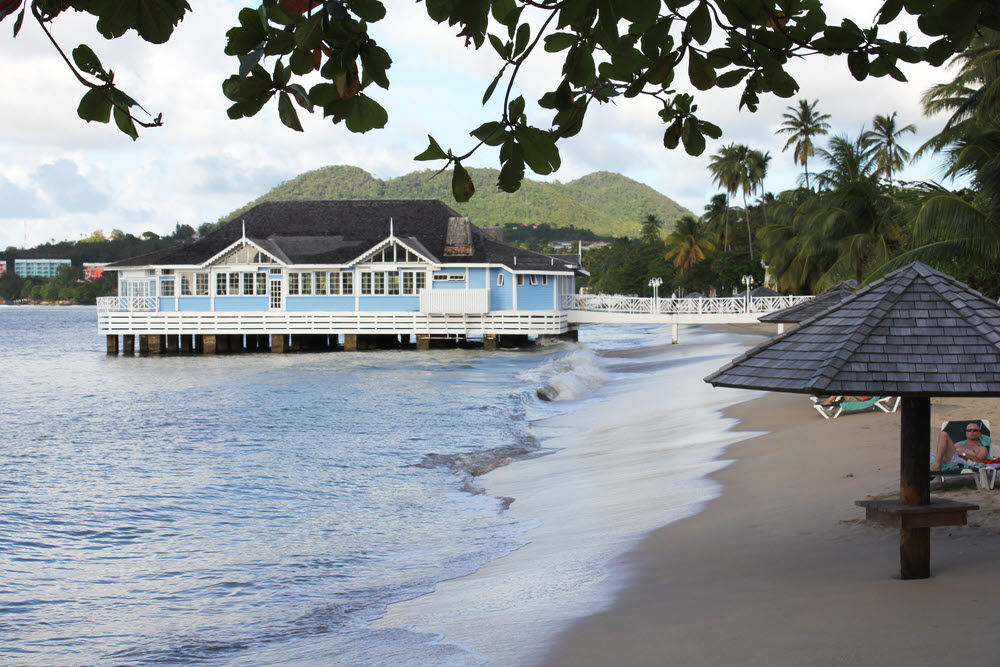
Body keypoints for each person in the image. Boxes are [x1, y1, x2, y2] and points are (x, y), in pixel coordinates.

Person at [930, 422, 994, 471]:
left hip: (960, 462)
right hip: (946, 459)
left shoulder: (981, 448)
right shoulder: (958, 445)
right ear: (966, 433)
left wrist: (963, 454)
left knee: (943, 434)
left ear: (979, 433)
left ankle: (936, 465)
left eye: (975, 430)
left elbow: (979, 462)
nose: (972, 432)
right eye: (969, 430)